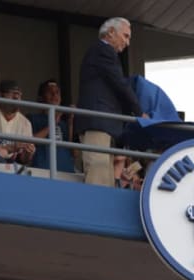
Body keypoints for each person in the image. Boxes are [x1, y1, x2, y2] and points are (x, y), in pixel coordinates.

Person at [75, 17, 147, 187]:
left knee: (106, 179)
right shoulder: (103, 50)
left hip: (105, 125)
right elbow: (120, 84)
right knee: (98, 176)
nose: (127, 42)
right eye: (126, 36)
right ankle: (94, 212)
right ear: (111, 33)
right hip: (98, 123)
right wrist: (139, 112)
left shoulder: (102, 53)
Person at [0, 79, 36, 165]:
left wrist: (28, 153)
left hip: (14, 166)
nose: (16, 98)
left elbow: (25, 160)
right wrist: (13, 147)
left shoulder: (25, 123)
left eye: (18, 95)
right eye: (13, 94)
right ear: (1, 95)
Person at [27, 79, 75, 172]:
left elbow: (74, 153)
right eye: (50, 92)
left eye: (57, 92)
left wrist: (70, 123)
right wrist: (54, 122)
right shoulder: (32, 118)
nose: (54, 95)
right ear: (41, 98)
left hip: (66, 172)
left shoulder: (64, 123)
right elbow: (29, 142)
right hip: (42, 171)